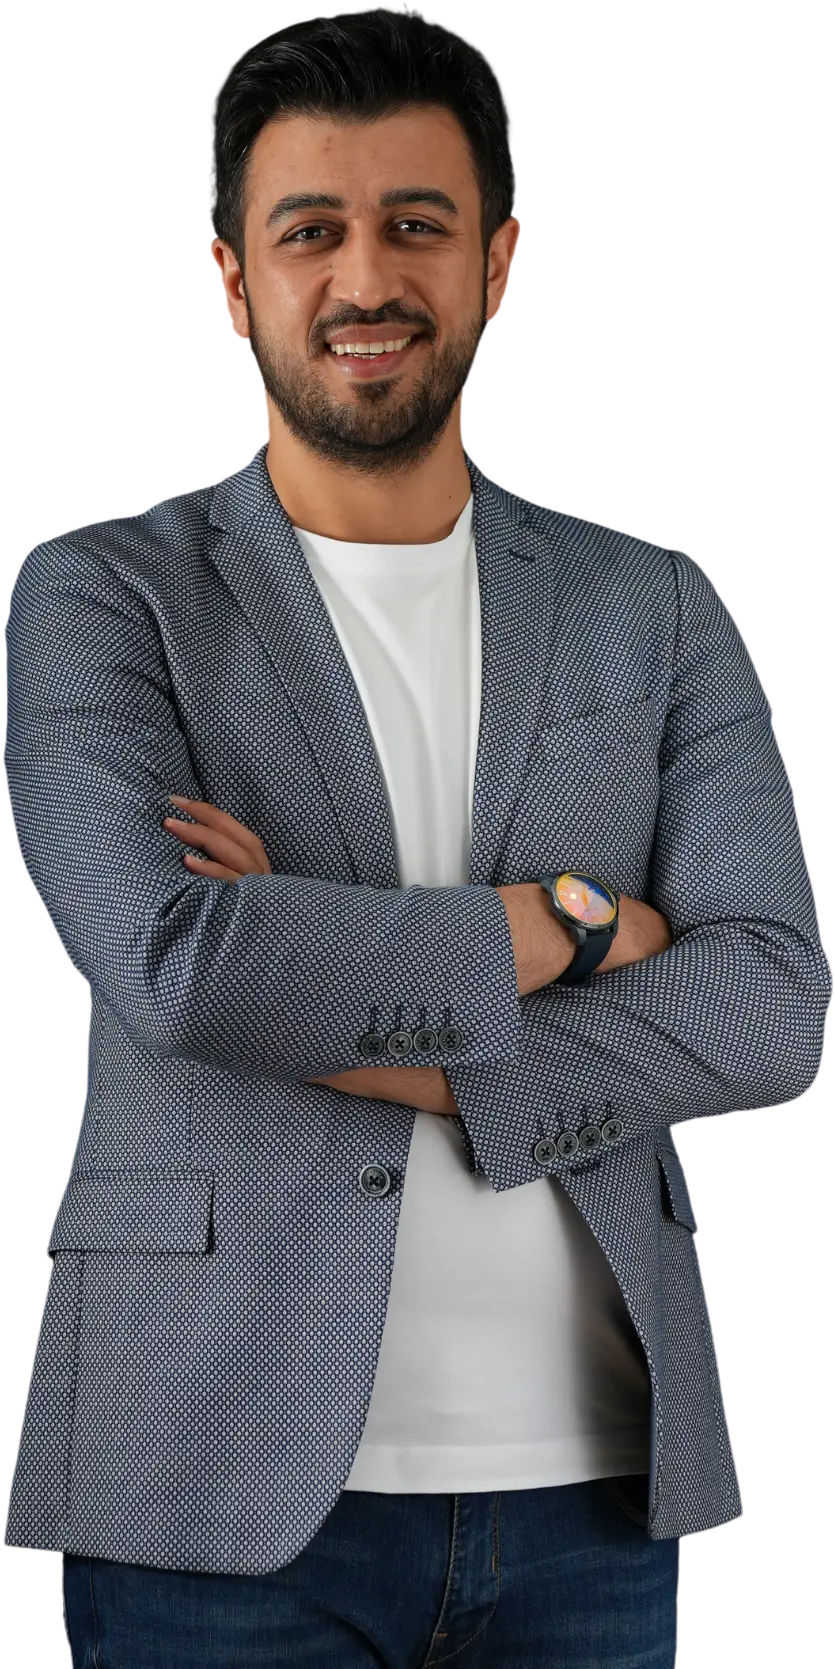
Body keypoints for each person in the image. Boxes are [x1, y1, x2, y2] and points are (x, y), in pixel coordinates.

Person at [4, 7, 831, 1667]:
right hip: (205, 1481)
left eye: (416, 226)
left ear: (498, 264)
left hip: (590, 1489)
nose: (364, 276)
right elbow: (181, 967)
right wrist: (590, 925)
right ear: (235, 280)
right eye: (310, 232)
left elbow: (772, 1011)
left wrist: (319, 982)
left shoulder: (652, 606)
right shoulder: (105, 596)